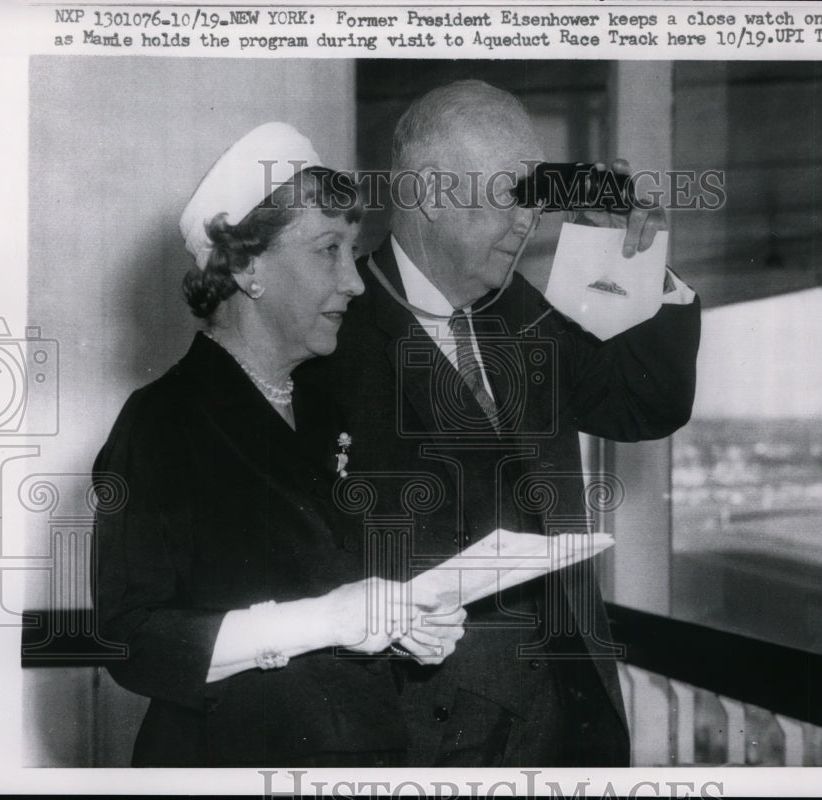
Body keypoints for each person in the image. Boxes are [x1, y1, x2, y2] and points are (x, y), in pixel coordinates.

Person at [297, 80, 701, 766]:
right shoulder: (331, 335)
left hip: (567, 723)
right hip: (419, 740)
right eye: (509, 196)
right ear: (427, 194)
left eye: (534, 198)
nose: (529, 222)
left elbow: (645, 404)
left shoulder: (523, 310)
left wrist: (645, 268)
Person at [92, 122, 465, 767]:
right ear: (245, 266)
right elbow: (130, 640)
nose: (354, 281)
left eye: (352, 252)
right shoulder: (161, 422)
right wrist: (324, 622)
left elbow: (353, 588)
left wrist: (408, 625)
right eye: (329, 250)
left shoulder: (332, 408)